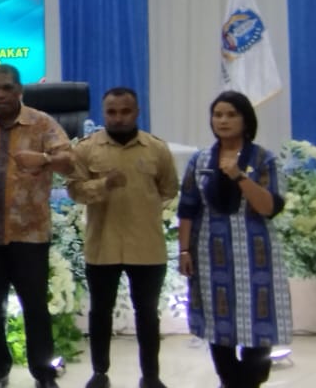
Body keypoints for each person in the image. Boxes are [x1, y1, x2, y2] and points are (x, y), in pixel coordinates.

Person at [0, 64, 74, 388]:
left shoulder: (42, 123)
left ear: (19, 90)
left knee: (35, 307)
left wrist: (46, 159)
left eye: (6, 88)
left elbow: (70, 162)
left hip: (30, 236)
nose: (0, 94)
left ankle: (43, 372)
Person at [178, 91, 291, 388]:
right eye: (218, 115)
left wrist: (240, 177)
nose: (223, 121)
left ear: (246, 120)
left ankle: (250, 381)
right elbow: (187, 208)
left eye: (231, 114)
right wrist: (184, 251)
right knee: (218, 322)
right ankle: (229, 381)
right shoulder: (201, 160)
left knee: (259, 322)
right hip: (210, 253)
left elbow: (268, 207)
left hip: (255, 254)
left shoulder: (264, 159)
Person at [66, 88, 178, 388]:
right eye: (112, 112)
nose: (118, 118)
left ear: (137, 112)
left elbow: (169, 189)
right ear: (104, 113)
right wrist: (103, 185)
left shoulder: (156, 149)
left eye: (125, 111)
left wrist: (142, 204)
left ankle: (151, 377)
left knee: (148, 314)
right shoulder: (87, 149)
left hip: (147, 246)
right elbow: (75, 191)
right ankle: (100, 373)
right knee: (100, 313)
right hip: (103, 245)